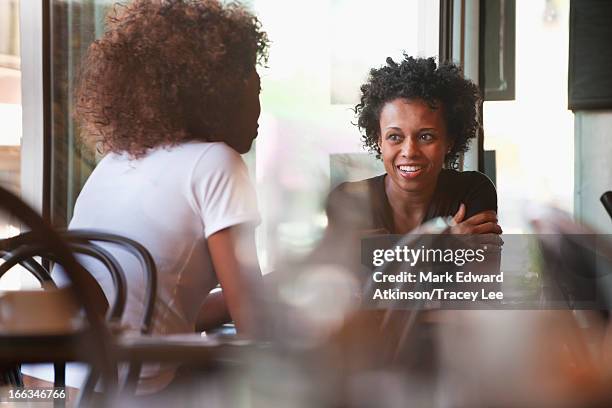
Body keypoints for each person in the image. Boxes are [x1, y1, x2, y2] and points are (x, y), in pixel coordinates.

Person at [69, 0, 269, 393]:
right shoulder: (217, 163)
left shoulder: (115, 163)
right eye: (255, 88)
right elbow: (256, 325)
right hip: (127, 392)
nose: (259, 108)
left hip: (44, 386)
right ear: (221, 92)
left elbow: (152, 315)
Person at [326, 55, 502, 237]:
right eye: (394, 137)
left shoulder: (472, 191)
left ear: (449, 140)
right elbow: (336, 266)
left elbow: (483, 264)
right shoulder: (348, 199)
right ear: (379, 140)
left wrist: (383, 252)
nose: (409, 151)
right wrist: (447, 247)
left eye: (426, 136)